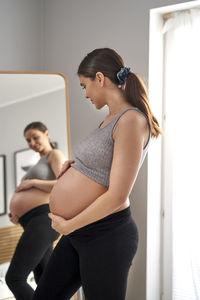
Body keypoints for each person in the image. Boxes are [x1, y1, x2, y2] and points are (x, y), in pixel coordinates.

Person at [33, 48, 162, 300]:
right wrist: (75, 167)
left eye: (84, 86)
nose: (85, 94)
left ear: (100, 78)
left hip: (106, 234)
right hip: (80, 231)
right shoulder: (109, 120)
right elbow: (103, 167)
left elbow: (117, 196)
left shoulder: (131, 120)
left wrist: (68, 225)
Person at [5, 121, 65, 300]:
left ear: (46, 134)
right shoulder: (38, 161)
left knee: (14, 278)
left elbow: (61, 184)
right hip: (31, 222)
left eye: (35, 137)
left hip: (43, 220)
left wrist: (32, 183)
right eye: (28, 140)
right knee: (45, 281)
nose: (32, 142)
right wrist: (17, 214)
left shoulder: (54, 154)